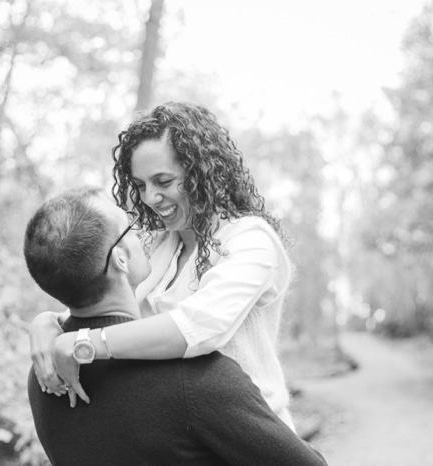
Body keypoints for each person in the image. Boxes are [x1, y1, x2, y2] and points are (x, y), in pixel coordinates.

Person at [30, 102, 296, 428]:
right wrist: (48, 323)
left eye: (164, 181)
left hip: (256, 435)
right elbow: (105, 308)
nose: (150, 198)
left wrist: (83, 343)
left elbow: (197, 328)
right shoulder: (155, 244)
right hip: (186, 432)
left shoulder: (251, 241)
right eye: (141, 185)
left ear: (203, 173)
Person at [24, 187, 327, 465]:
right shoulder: (196, 381)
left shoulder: (43, 376)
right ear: (121, 259)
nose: (142, 233)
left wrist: (47, 320)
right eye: (129, 227)